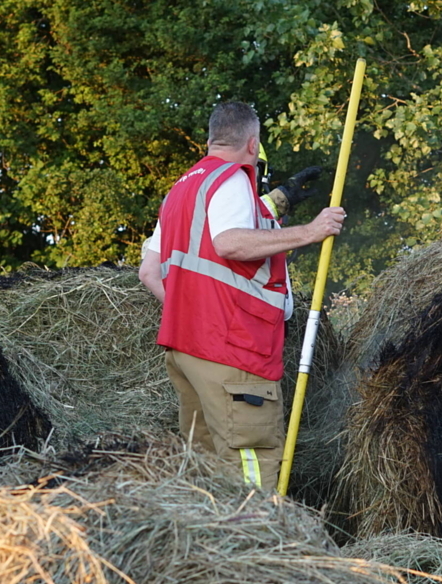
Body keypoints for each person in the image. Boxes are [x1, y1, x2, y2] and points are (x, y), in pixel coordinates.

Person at [138, 101, 345, 490]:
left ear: (211, 138)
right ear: (253, 145)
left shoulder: (182, 190)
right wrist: (311, 232)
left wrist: (193, 313)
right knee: (251, 465)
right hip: (234, 350)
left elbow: (148, 272)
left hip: (188, 350)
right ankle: (256, 545)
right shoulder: (233, 178)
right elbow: (229, 242)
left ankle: (209, 549)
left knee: (206, 471)